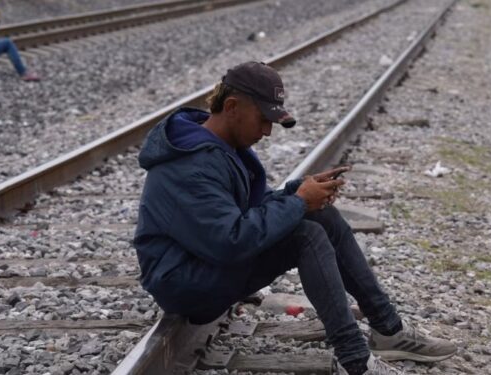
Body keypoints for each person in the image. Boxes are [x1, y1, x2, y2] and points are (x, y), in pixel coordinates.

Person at [132, 61, 457, 375]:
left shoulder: (221, 147)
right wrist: (299, 203)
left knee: (323, 217)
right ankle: (355, 360)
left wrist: (297, 193)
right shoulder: (192, 164)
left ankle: (388, 328)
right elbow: (229, 241)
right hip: (185, 282)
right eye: (263, 119)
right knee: (305, 235)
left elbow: (247, 214)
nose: (268, 132)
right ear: (231, 107)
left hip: (205, 264)